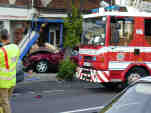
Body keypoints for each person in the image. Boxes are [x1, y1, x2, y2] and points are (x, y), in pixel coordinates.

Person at [0, 29, 20, 113]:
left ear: (1, 38)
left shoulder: (2, 51)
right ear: (8, 36)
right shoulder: (16, 47)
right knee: (4, 101)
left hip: (3, 82)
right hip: (12, 80)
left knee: (4, 103)